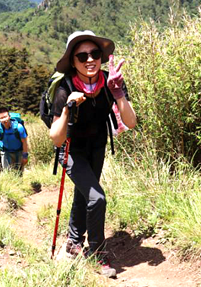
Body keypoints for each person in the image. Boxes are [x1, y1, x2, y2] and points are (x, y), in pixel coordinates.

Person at [49, 30, 137, 278]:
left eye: (95, 54)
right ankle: (97, 252)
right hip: (71, 149)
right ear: (73, 61)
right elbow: (56, 136)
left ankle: (74, 241)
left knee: (84, 193)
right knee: (97, 197)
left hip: (97, 146)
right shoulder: (65, 87)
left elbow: (131, 122)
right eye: (82, 56)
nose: (90, 60)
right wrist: (68, 108)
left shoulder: (111, 82)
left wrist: (118, 92)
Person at [0, 106, 29, 174]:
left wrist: (25, 156)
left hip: (19, 151)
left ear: (9, 116)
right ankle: (10, 184)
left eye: (5, 117)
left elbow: (24, 142)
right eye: (1, 118)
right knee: (7, 173)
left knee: (19, 173)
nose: (4, 120)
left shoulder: (19, 127)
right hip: (6, 152)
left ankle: (18, 184)